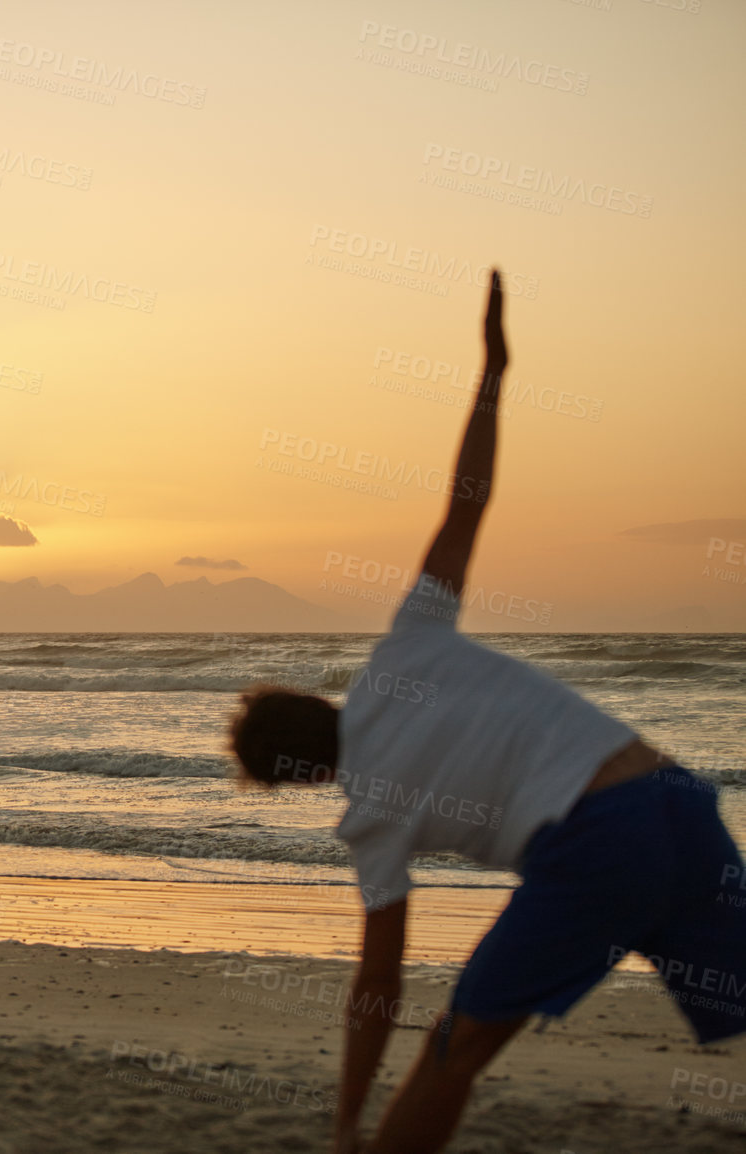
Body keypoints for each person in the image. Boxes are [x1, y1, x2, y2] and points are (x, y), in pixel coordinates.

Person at [226, 271, 746, 1153]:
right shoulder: (407, 641)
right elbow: (468, 502)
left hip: (597, 844)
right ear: (321, 700)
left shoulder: (370, 818)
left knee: (452, 1053)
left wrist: (348, 1120)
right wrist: (494, 373)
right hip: (680, 802)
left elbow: (378, 985)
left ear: (305, 778)